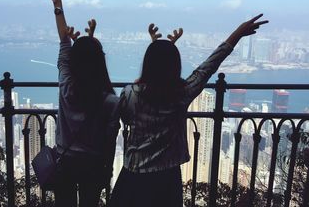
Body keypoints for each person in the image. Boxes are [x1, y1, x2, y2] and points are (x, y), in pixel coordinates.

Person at [109, 15, 268, 207]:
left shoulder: (130, 94)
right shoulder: (181, 93)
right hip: (166, 176)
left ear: (147, 64)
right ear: (175, 66)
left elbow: (126, 117)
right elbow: (209, 66)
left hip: (134, 174)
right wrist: (237, 34)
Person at [42, 0, 120, 207]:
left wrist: (57, 3)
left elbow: (64, 42)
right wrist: (106, 166)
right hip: (93, 163)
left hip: (64, 159)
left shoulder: (66, 85)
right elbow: (110, 138)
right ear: (100, 63)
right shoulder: (110, 101)